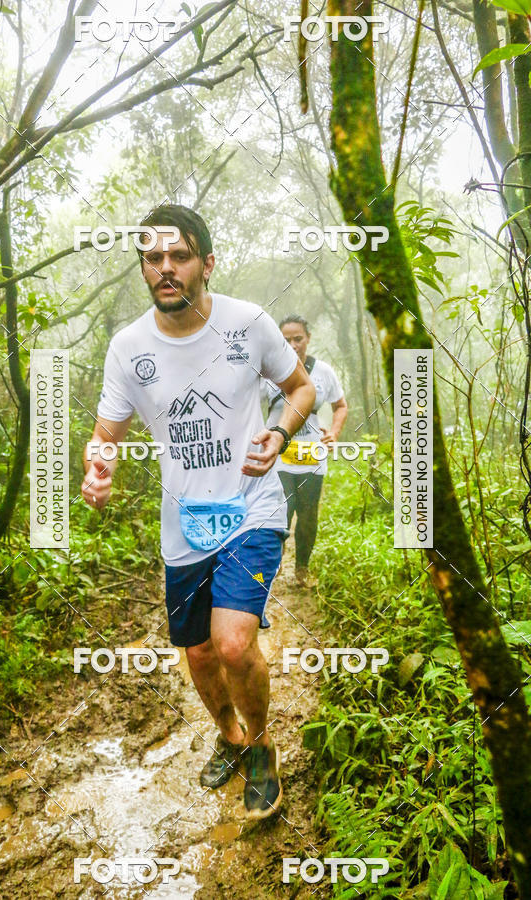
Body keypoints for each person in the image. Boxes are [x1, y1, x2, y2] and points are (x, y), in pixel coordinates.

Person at [81, 205, 315, 819]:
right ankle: (231, 734)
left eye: (179, 255)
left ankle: (262, 746)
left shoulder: (249, 323)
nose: (165, 268)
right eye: (153, 258)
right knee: (200, 655)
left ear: (206, 263)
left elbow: (300, 390)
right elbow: (107, 430)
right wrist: (97, 465)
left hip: (252, 507)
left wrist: (281, 433)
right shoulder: (128, 348)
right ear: (143, 268)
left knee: (233, 644)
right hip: (182, 526)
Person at [263, 315, 348, 584]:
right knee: (281, 509)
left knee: (308, 513)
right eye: (286, 340)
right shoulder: (268, 371)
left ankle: (302, 568)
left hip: (312, 455)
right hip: (278, 455)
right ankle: (274, 563)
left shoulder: (323, 371)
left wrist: (334, 432)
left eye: (297, 339)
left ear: (308, 339)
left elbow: (341, 406)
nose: (292, 344)